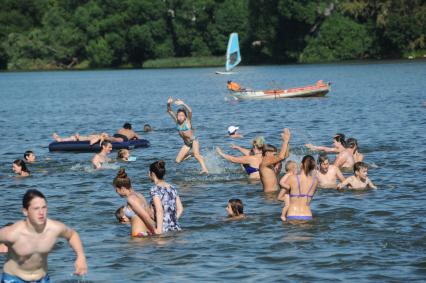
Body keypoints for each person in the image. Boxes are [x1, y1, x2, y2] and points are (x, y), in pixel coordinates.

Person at [0, 189, 87, 282]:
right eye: (36, 208)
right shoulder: (12, 233)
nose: (41, 213)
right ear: (25, 211)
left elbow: (72, 235)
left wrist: (81, 257)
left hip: (42, 279)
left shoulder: (54, 229)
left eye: (44, 207)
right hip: (14, 279)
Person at [167, 97, 208, 174]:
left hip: (194, 141)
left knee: (197, 155)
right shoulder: (177, 121)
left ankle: (204, 169)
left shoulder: (187, 121)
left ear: (185, 117)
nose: (180, 117)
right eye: (178, 115)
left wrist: (183, 104)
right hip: (187, 144)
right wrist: (168, 104)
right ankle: (191, 154)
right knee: (178, 161)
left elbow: (190, 111)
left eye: (182, 115)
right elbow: (169, 111)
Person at [113, 168, 155, 237]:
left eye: (116, 190)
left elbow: (146, 217)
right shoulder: (139, 195)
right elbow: (150, 214)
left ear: (122, 188)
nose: (116, 192)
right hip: (146, 233)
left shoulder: (130, 199)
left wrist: (156, 231)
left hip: (138, 236)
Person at [149, 160, 183, 234]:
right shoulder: (172, 187)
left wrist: (159, 230)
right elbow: (180, 209)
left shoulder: (155, 189)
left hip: (163, 228)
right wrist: (172, 221)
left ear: (152, 174)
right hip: (176, 227)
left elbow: (159, 210)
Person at [282, 155, 318, 221]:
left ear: (301, 164)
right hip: (307, 215)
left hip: (292, 214)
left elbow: (280, 196)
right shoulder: (315, 181)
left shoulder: (291, 178)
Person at [259, 128, 291, 193]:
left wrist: (287, 142)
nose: (275, 156)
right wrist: (285, 141)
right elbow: (281, 157)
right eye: (274, 154)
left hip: (274, 193)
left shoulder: (270, 163)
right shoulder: (264, 162)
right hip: (269, 196)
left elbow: (285, 156)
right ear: (267, 153)